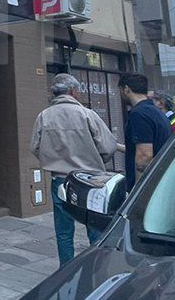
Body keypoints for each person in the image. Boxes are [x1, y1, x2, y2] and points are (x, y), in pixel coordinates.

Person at [31, 73, 117, 266]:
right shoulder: (87, 114)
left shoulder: (44, 116)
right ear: (73, 91)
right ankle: (98, 267)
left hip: (60, 180)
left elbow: (35, 147)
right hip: (91, 180)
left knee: (63, 231)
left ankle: (66, 269)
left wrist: (52, 160)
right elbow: (109, 146)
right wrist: (97, 161)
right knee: (95, 227)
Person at [119, 74, 172, 192]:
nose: (121, 95)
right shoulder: (157, 113)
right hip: (161, 181)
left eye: (121, 91)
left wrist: (138, 193)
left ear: (126, 89)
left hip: (149, 188)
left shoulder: (139, 114)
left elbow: (144, 157)